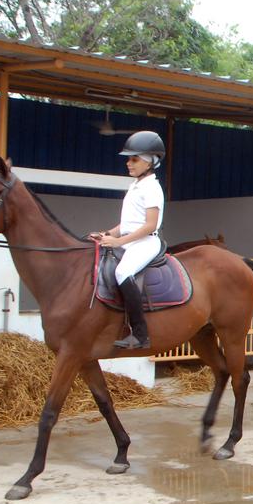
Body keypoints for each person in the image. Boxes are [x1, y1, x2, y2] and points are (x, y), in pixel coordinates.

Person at [88, 131, 166, 349]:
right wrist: (108, 234)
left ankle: (140, 335)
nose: (128, 163)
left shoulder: (152, 188)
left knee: (122, 272)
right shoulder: (135, 185)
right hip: (131, 240)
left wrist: (119, 242)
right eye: (129, 159)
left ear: (150, 162)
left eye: (134, 159)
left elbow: (150, 224)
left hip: (146, 242)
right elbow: (127, 224)